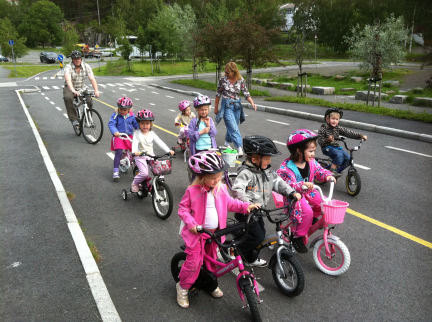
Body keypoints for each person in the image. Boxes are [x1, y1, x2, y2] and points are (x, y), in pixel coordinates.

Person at [176, 151, 260, 308]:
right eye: (213, 178)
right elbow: (183, 209)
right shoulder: (192, 191)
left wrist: (246, 207)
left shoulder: (220, 189)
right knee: (193, 263)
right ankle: (182, 287)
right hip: (197, 234)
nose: (217, 181)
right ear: (201, 177)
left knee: (212, 260)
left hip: (215, 234)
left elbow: (231, 203)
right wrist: (192, 223)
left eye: (219, 177)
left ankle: (210, 283)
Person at [231, 135, 301, 266]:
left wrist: (291, 192)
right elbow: (237, 189)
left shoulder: (267, 171)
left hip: (259, 210)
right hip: (247, 210)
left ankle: (248, 252)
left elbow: (277, 182)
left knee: (260, 233)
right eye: (267, 159)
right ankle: (237, 251)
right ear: (254, 159)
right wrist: (248, 204)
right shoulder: (246, 173)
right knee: (257, 235)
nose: (269, 162)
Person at [277, 129, 335, 253]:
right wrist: (301, 185)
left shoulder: (311, 162)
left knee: (324, 203)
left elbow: (320, 171)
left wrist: (328, 175)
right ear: (299, 150)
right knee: (306, 211)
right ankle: (297, 237)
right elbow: (286, 184)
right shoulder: (287, 168)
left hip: (309, 193)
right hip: (294, 196)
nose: (313, 154)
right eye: (310, 151)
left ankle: (311, 220)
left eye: (314, 151)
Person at [214, 62, 257, 157]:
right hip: (227, 106)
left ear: (234, 71)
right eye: (225, 72)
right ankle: (239, 148)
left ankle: (226, 142)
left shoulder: (240, 80)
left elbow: (246, 93)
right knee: (233, 127)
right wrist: (216, 107)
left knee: (233, 126)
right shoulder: (222, 80)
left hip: (237, 106)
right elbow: (218, 94)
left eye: (228, 72)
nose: (226, 74)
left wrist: (252, 103)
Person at [131, 109, 174, 192]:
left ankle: (160, 182)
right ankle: (135, 183)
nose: (145, 125)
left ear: (151, 124)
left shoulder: (152, 133)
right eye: (142, 123)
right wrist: (134, 152)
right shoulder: (137, 134)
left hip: (150, 155)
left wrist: (168, 150)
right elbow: (134, 143)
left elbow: (159, 142)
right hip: (140, 156)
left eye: (147, 123)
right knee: (144, 173)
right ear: (138, 124)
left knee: (161, 169)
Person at [317, 108, 368, 178]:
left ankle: (337, 171)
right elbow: (320, 141)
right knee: (339, 155)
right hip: (327, 148)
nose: (334, 121)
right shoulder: (323, 129)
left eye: (336, 119)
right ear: (327, 119)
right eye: (333, 119)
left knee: (348, 159)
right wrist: (328, 140)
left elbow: (348, 133)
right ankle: (331, 173)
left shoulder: (338, 128)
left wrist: (360, 136)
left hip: (336, 148)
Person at [63, 50, 100, 130]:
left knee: (89, 101)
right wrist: (73, 91)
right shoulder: (68, 67)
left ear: (81, 59)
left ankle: (88, 119)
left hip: (81, 87)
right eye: (75, 59)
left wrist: (96, 90)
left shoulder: (86, 66)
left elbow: (92, 78)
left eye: (79, 58)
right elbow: (68, 80)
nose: (77, 60)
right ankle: (74, 120)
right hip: (70, 87)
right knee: (68, 98)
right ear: (72, 60)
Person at [108, 97, 139, 181]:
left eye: (125, 110)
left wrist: (140, 129)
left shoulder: (132, 116)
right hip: (119, 136)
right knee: (118, 152)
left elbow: (136, 124)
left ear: (129, 109)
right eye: (121, 109)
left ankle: (138, 169)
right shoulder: (115, 115)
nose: (122, 111)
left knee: (135, 152)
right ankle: (115, 171)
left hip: (129, 136)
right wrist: (115, 132)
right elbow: (111, 124)